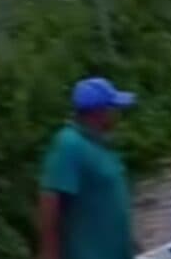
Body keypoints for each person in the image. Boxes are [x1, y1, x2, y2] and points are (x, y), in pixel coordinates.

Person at [38, 77, 138, 259]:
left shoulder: (99, 144)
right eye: (113, 108)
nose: (117, 113)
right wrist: (49, 254)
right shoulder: (69, 145)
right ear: (99, 112)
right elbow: (50, 202)